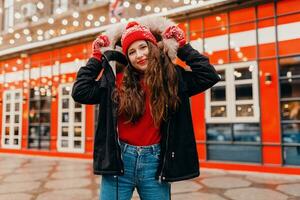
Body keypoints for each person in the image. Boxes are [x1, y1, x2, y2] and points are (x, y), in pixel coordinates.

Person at [72, 17, 220, 200]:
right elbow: (80, 92)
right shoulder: (116, 81)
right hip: (120, 162)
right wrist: (96, 57)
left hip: (155, 163)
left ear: (154, 47)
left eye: (143, 47)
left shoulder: (172, 79)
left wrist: (181, 45)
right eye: (132, 52)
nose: (139, 55)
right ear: (127, 57)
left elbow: (209, 75)